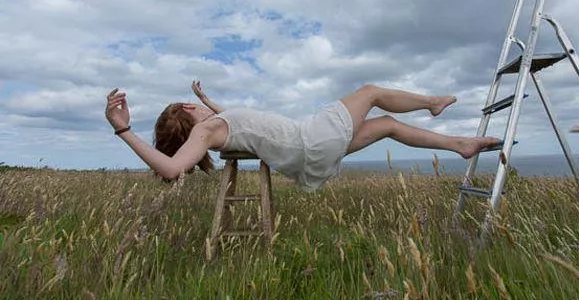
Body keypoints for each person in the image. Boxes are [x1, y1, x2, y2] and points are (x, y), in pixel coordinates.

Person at [105, 80, 502, 190]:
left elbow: (237, 120)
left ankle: (459, 145)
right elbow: (173, 169)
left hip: (307, 151)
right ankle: (432, 102)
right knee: (371, 92)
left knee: (388, 126)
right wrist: (124, 130)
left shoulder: (219, 127)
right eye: (196, 106)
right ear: (190, 115)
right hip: (310, 139)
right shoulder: (208, 130)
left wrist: (206, 97)